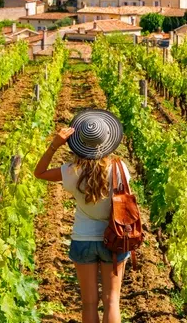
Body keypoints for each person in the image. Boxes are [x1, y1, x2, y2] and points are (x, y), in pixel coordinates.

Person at [34, 110, 130, 323]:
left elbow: (39, 173)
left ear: (79, 143)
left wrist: (54, 145)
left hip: (82, 239)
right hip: (114, 238)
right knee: (112, 301)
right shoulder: (119, 168)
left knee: (89, 303)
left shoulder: (70, 171)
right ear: (107, 140)